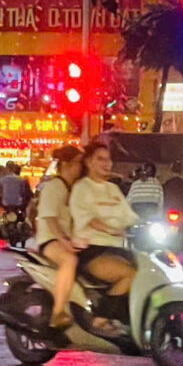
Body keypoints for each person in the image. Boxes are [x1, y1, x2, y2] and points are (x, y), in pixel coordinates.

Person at [69, 141, 140, 333]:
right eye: (100, 159)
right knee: (129, 274)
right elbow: (88, 219)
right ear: (89, 162)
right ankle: (100, 318)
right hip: (92, 250)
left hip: (119, 249)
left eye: (108, 159)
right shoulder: (82, 188)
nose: (106, 163)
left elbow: (131, 216)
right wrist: (110, 229)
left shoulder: (113, 190)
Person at [33, 145, 83, 330]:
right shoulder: (55, 187)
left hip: (66, 239)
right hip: (50, 241)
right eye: (78, 163)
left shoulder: (73, 188)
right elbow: (49, 217)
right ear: (67, 164)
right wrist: (63, 240)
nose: (81, 167)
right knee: (69, 260)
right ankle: (58, 312)